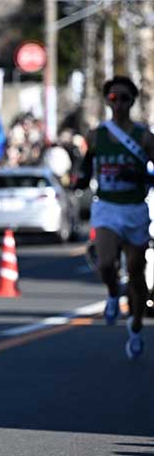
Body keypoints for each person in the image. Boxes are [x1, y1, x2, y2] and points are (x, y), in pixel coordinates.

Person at [77, 76, 154, 360]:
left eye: (124, 99)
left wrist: (139, 175)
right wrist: (81, 179)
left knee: (136, 271)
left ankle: (135, 329)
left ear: (132, 102)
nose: (118, 104)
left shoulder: (144, 136)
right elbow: (86, 166)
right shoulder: (96, 135)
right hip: (107, 207)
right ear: (107, 101)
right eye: (113, 98)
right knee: (106, 262)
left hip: (134, 208)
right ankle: (112, 293)